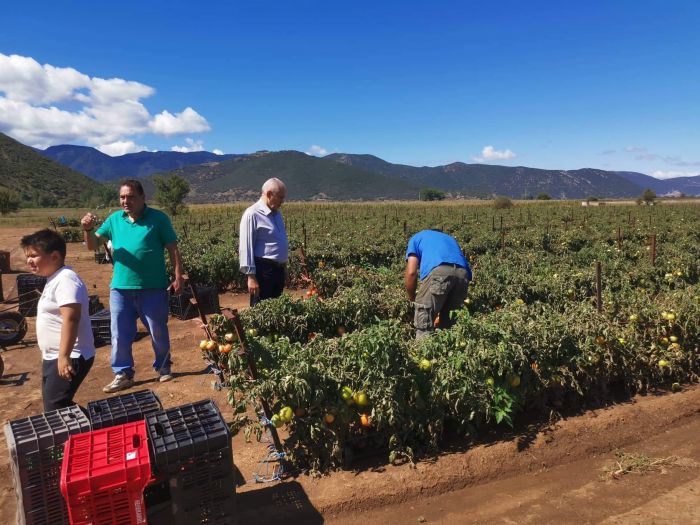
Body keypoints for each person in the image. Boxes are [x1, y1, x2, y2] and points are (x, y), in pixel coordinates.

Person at [81, 179, 184, 393]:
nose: (125, 201)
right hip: (121, 288)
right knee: (119, 332)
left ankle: (164, 367)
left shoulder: (158, 219)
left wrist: (178, 277)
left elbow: (173, 249)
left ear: (142, 197)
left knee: (158, 331)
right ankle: (123, 373)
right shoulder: (114, 220)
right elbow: (93, 245)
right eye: (122, 197)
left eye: (130, 197)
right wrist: (87, 229)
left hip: (152, 287)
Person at [21, 229, 95, 411]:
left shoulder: (66, 280)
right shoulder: (53, 279)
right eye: (28, 256)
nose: (29, 260)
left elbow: (71, 318)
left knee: (56, 406)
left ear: (54, 256)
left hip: (72, 355)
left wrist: (64, 357)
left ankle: (99, 431)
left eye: (34, 255)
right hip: (54, 355)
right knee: (54, 406)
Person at [404, 229, 472, 338]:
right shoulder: (450, 238)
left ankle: (424, 352)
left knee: (424, 324)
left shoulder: (416, 237)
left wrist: (411, 298)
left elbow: (411, 272)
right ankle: (448, 351)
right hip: (463, 274)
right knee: (451, 324)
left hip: (438, 272)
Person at [239, 178, 289, 306]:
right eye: (280, 197)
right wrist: (251, 277)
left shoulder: (276, 214)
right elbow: (246, 247)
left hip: (277, 271)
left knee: (277, 311)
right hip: (263, 272)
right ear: (268, 194)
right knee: (261, 311)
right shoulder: (252, 214)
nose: (282, 201)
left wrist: (283, 267)